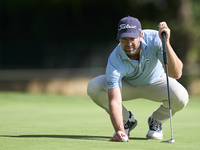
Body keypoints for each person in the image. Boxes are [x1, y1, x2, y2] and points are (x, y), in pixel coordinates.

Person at [87, 16, 189, 142]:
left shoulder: (155, 39)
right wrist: (119, 130)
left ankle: (156, 121)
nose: (129, 44)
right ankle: (126, 122)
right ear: (119, 38)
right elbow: (115, 101)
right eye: (124, 39)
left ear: (140, 35)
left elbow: (176, 73)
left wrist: (166, 43)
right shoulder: (115, 60)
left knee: (181, 96)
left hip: (156, 82)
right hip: (127, 85)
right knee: (94, 86)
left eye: (132, 39)